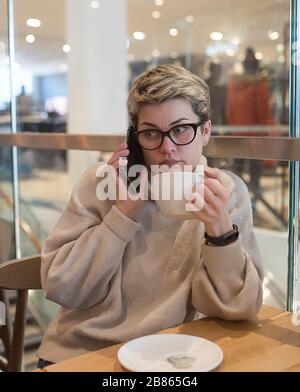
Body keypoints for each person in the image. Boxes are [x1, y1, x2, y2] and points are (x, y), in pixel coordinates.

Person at [37, 64, 263, 367]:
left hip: (172, 356)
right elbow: (61, 287)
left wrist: (219, 231)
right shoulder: (105, 182)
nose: (167, 148)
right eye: (151, 133)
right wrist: (122, 214)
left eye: (181, 129)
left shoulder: (225, 192)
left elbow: (239, 307)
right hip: (81, 354)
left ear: (205, 131)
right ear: (135, 137)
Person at [226, 47, 275, 212]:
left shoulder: (235, 83)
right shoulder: (258, 84)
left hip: (238, 135)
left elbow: (230, 110)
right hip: (253, 136)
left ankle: (238, 201)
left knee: (238, 171)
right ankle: (251, 202)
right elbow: (264, 112)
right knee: (253, 170)